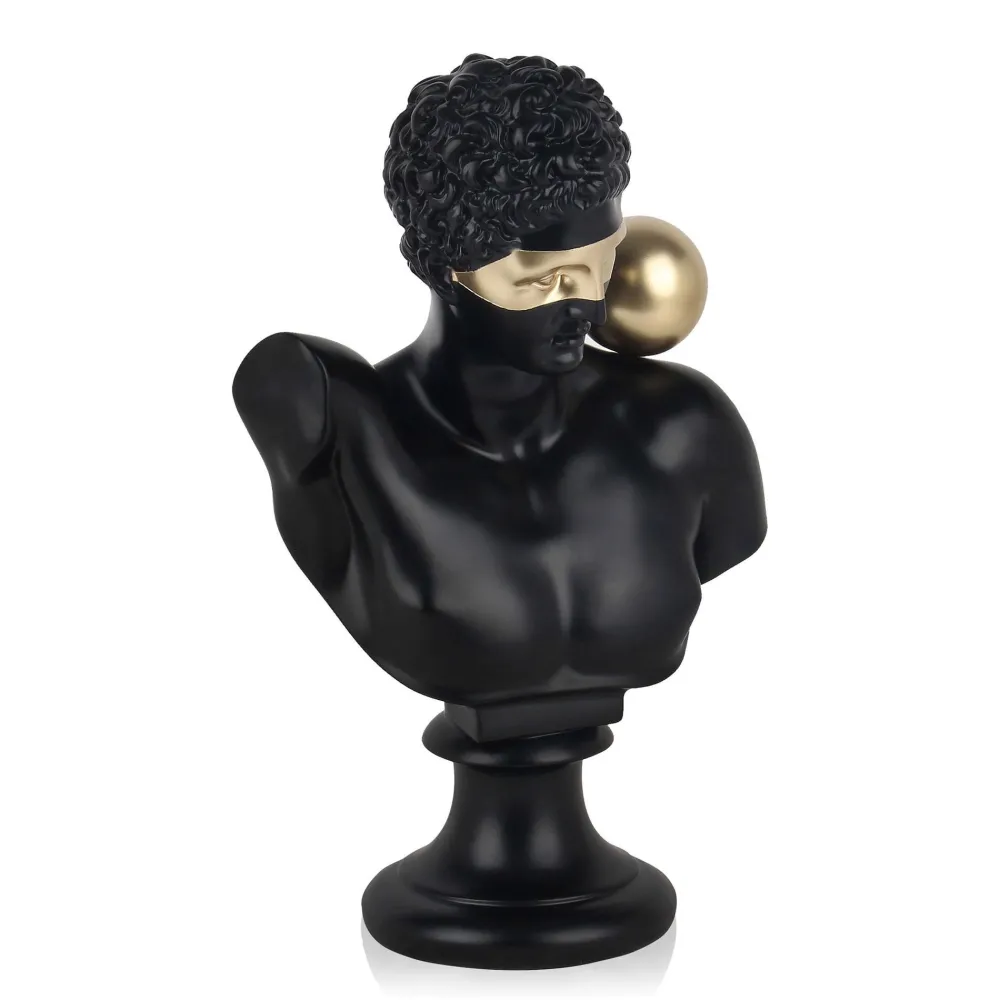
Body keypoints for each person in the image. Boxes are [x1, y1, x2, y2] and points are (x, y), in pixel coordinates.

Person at [233, 54, 766, 741]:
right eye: (542, 281)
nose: (585, 309)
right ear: (443, 266)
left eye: (599, 265)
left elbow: (733, 538)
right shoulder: (347, 430)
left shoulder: (682, 427)